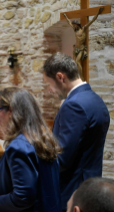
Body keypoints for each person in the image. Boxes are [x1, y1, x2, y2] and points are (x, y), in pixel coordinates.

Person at [0, 87, 62, 212]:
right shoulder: (41, 139)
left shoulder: (18, 147)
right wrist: (2, 176)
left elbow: (23, 197)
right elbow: (37, 179)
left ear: (10, 111)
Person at [42, 52, 110, 211]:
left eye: (49, 84)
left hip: (71, 188)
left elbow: (62, 158)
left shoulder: (74, 105)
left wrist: (32, 158)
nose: (50, 90)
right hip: (89, 186)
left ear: (60, 77)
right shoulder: (95, 99)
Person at [63, 7, 104, 80]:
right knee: (73, 63)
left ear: (78, 24)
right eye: (74, 25)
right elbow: (69, 22)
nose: (74, 26)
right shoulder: (75, 29)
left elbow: (92, 21)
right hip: (76, 48)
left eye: (75, 25)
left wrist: (98, 12)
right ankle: (75, 77)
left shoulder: (83, 29)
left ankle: (82, 78)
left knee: (77, 62)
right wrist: (65, 16)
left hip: (81, 48)